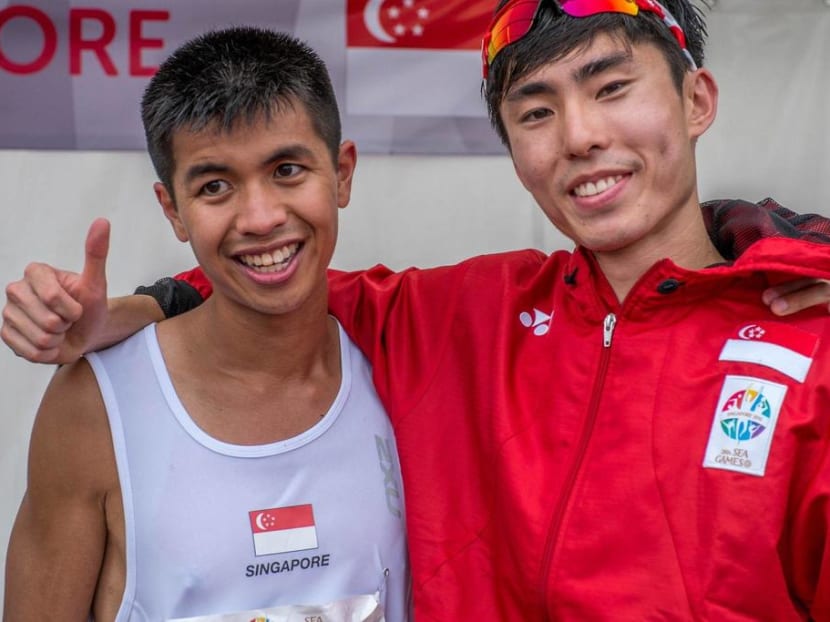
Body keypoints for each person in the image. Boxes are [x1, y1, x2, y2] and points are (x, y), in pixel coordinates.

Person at [5, 1, 830, 620]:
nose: (579, 136)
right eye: (535, 113)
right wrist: (140, 305)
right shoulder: (469, 312)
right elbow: (279, 282)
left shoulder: (812, 342)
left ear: (697, 101)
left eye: (611, 87)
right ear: (514, 152)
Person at [3, 27, 409, 621]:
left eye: (288, 169)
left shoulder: (402, 368)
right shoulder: (97, 405)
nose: (262, 217)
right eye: (215, 185)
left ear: (341, 173)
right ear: (173, 210)